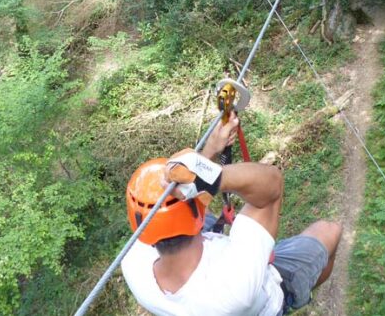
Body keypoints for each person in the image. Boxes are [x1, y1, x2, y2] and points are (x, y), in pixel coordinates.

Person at [121, 111, 342, 315]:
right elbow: (271, 188)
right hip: (270, 299)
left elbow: (172, 213)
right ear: (197, 216)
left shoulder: (133, 265)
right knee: (331, 231)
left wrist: (209, 152)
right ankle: (303, 291)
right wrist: (212, 175)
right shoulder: (233, 285)